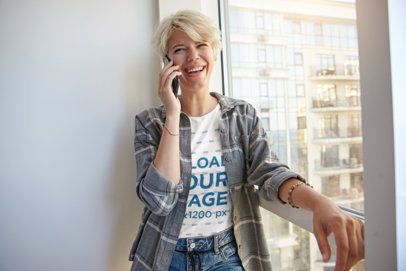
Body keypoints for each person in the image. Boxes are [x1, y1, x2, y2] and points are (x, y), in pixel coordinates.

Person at [129, 10, 364, 271]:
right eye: (181, 49)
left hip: (226, 255)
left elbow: (269, 173)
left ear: (214, 53)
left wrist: (321, 203)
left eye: (202, 45)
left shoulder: (241, 115)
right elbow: (159, 202)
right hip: (164, 254)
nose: (193, 55)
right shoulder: (149, 123)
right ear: (167, 61)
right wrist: (172, 115)